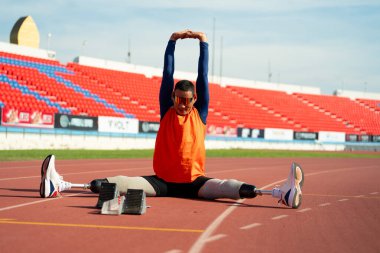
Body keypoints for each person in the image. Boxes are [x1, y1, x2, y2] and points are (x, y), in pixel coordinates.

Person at [39, 30, 304, 209]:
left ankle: (282, 193)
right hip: (161, 182)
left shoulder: (200, 114)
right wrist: (172, 42)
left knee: (227, 187)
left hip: (195, 183)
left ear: (194, 99)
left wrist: (203, 43)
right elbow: (167, 73)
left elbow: (203, 74)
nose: (182, 103)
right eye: (178, 98)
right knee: (121, 183)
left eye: (187, 99)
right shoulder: (166, 108)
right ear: (173, 97)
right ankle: (59, 184)